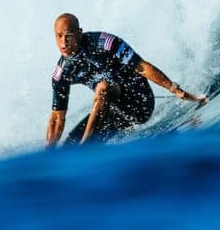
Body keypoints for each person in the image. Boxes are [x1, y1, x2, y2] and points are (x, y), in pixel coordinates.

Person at [46, 13, 207, 146]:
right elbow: (57, 118)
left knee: (103, 87)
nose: (63, 42)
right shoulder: (62, 73)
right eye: (59, 36)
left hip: (140, 102)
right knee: (68, 149)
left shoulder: (105, 43)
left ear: (79, 33)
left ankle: (86, 147)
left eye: (69, 36)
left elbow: (142, 67)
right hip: (113, 115)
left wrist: (176, 90)